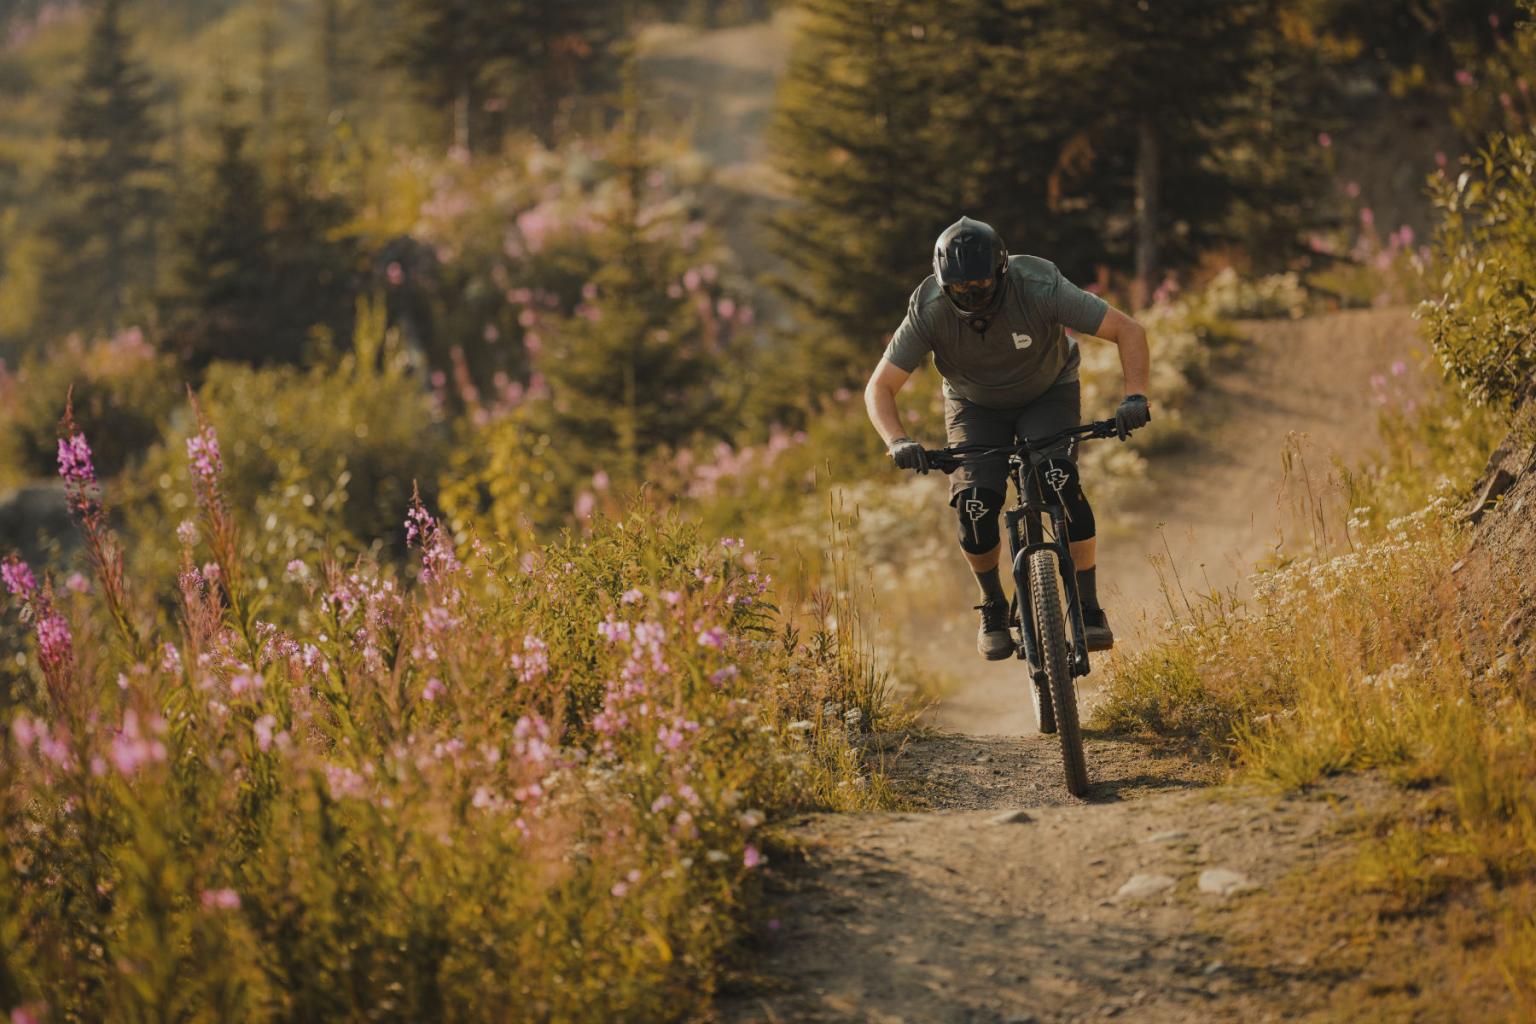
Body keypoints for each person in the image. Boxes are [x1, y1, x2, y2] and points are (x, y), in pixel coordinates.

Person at [863, 216, 1152, 659]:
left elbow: (1127, 329)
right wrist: (897, 440)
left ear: (1001, 272)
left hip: (1048, 391)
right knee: (976, 504)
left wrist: (1134, 396)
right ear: (943, 284)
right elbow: (880, 387)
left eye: (981, 284)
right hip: (973, 406)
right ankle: (994, 607)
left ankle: (1089, 607)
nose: (972, 296)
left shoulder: (1038, 287)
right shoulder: (929, 311)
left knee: (1058, 478)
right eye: (960, 289)